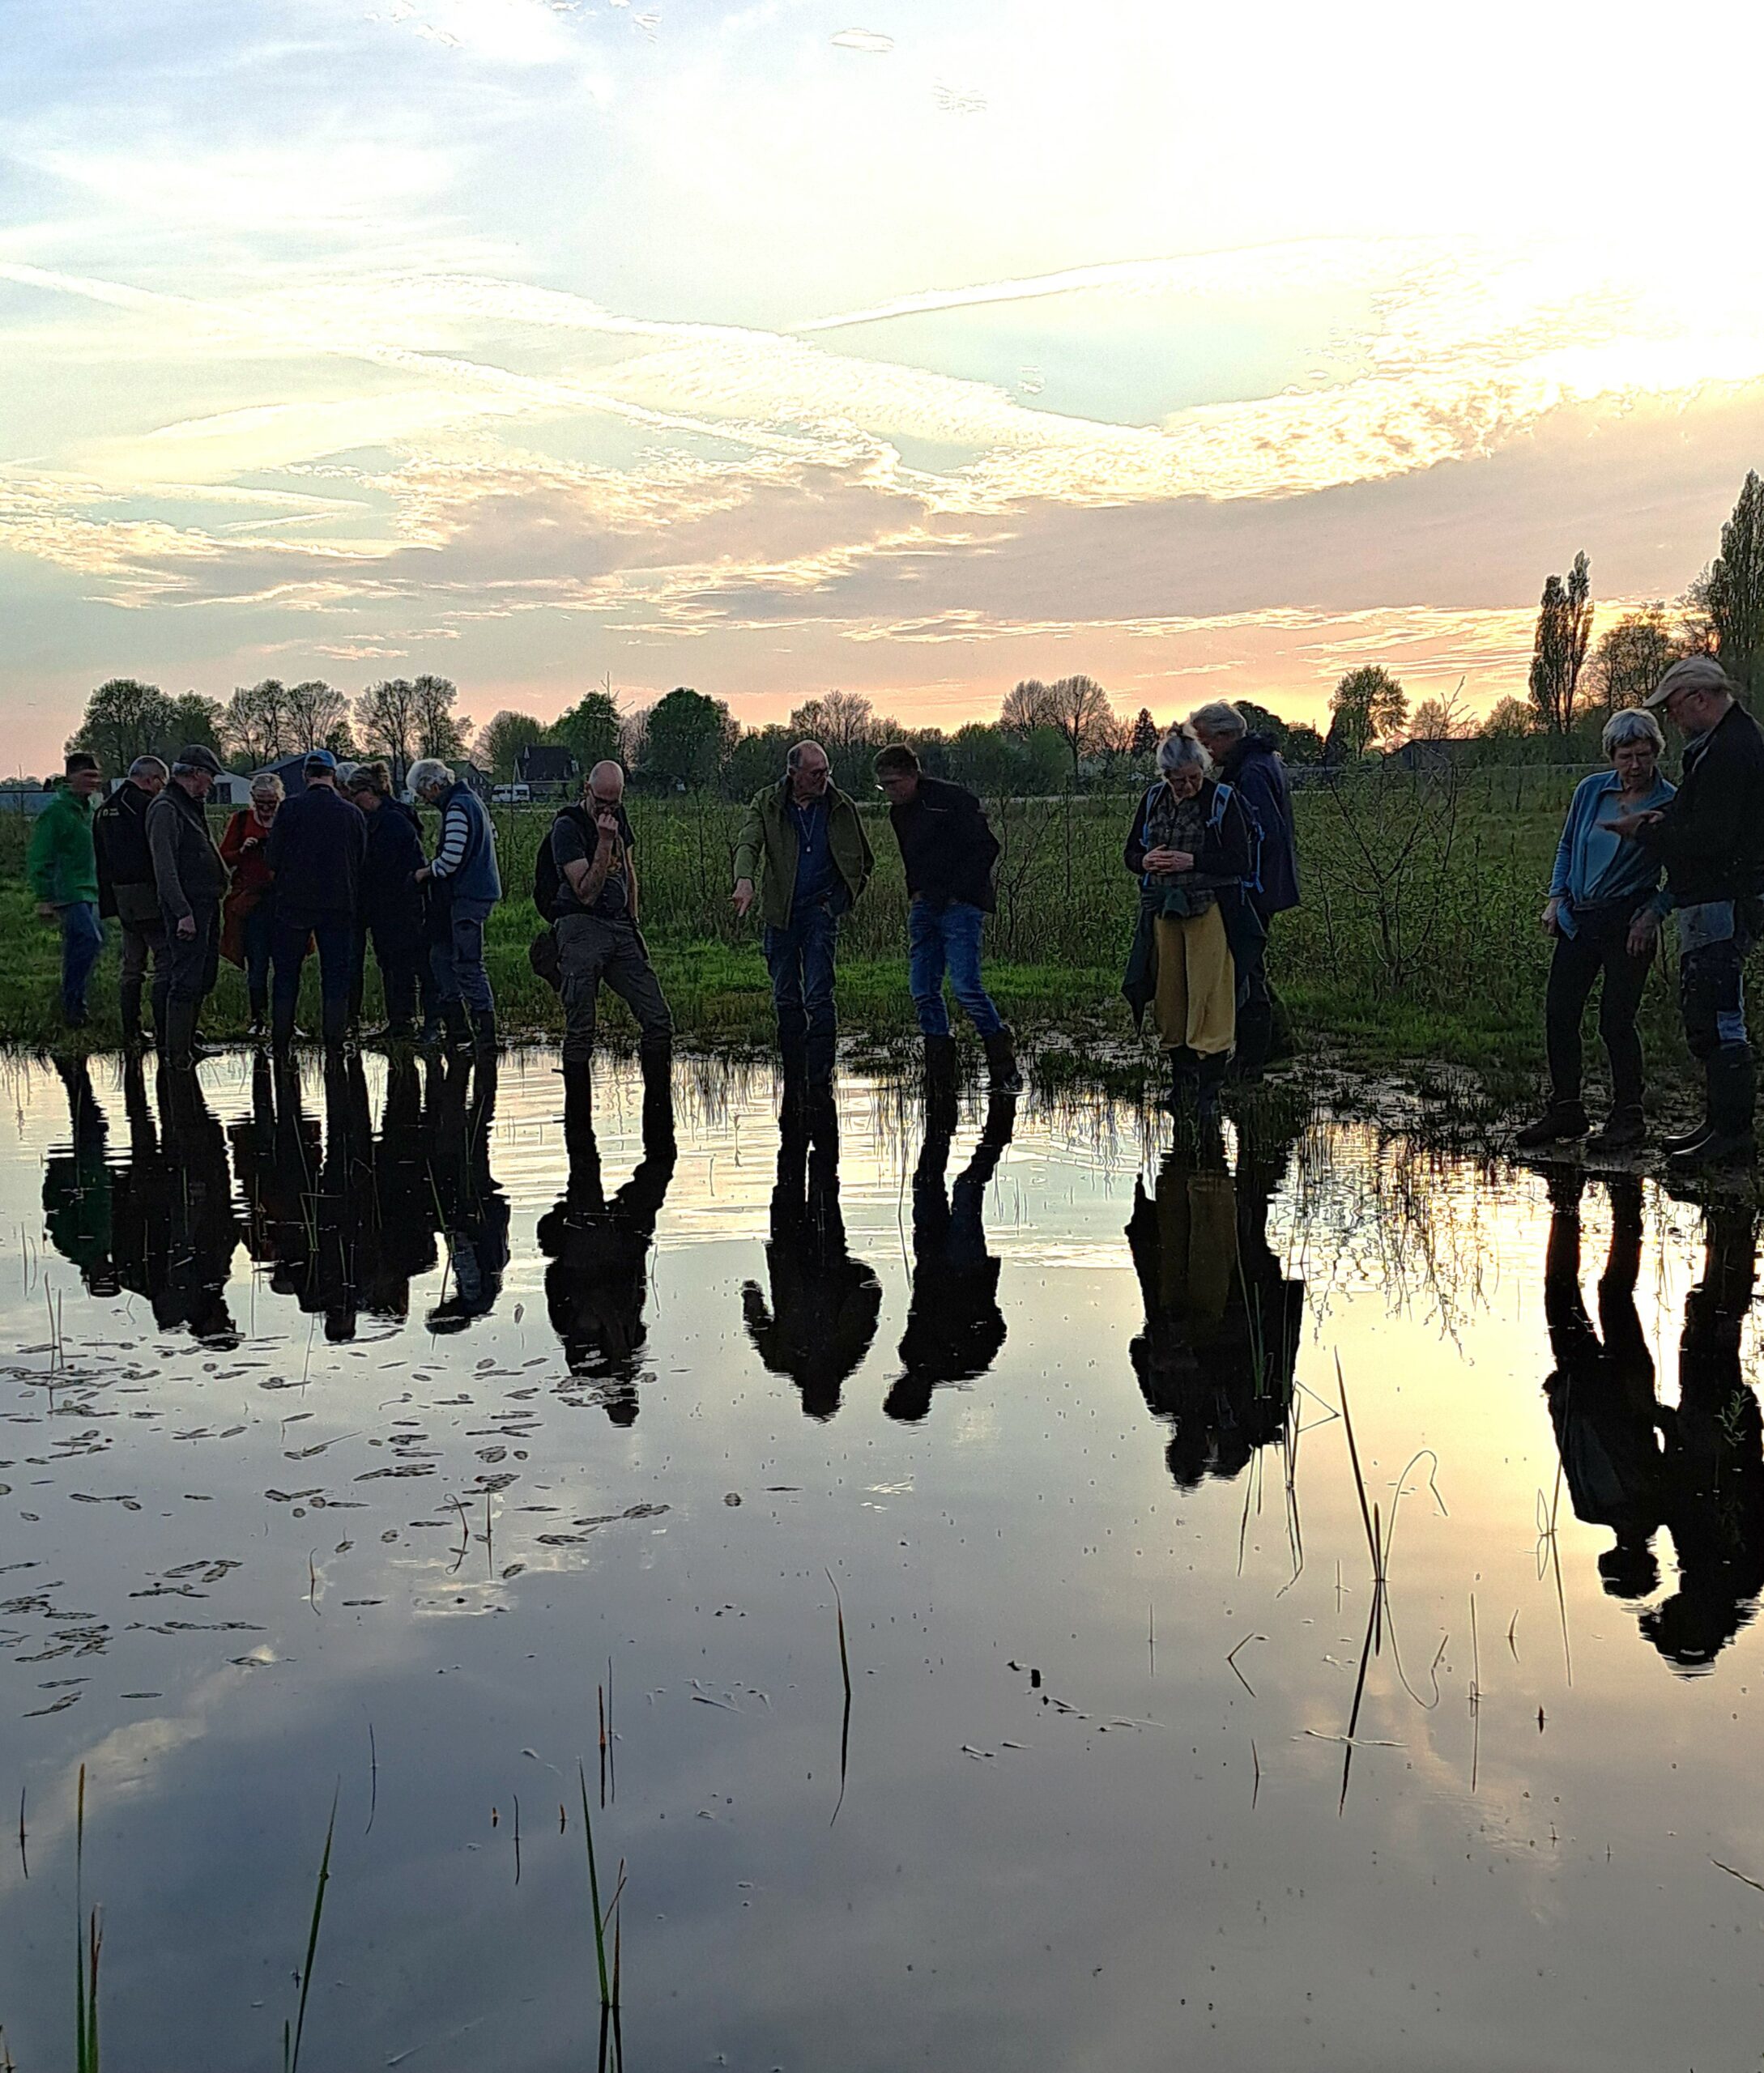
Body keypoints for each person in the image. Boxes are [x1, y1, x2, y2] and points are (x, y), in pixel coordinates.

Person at [1605, 655, 1764, 1173]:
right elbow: (1698, 817)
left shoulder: (1732, 751)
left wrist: (1646, 831)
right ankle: (1717, 1124)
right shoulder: (1718, 747)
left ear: (1699, 698)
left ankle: (1733, 1135)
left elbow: (1710, 839)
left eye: (1673, 708)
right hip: (1711, 898)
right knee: (1706, 1014)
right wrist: (1661, 818)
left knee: (1719, 1016)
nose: (1673, 720)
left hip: (1724, 898)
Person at [1516, 709, 1676, 1153]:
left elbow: (1685, 874)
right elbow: (1568, 843)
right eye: (1626, 755)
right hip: (1579, 917)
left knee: (1616, 1021)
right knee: (1560, 1013)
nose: (1635, 765)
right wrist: (1555, 897)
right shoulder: (1591, 791)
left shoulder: (1669, 802)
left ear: (1656, 753)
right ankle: (1566, 1109)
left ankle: (1628, 1116)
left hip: (1630, 923)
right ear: (1612, 755)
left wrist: (1653, 913)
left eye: (1643, 754)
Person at [1540, 1169, 1666, 1603]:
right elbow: (1573, 1441)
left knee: (1611, 1293)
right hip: (1599, 1384)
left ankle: (1618, 1199)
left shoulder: (1656, 1507)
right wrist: (1560, 1396)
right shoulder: (1596, 1508)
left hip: (1617, 1385)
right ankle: (1570, 1201)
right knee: (1570, 1291)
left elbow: (1575, 1443)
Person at [1121, 728, 1255, 1121]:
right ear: (1165, 776)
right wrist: (1143, 862)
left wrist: (1191, 862)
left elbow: (1239, 861)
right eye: (1179, 780)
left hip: (1209, 909)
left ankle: (1209, 1093)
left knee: (1210, 997)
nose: (1188, 786)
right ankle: (1182, 1085)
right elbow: (1130, 852)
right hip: (1162, 910)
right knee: (1171, 995)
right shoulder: (1151, 800)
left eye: (1195, 777)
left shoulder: (1224, 801)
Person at [872, 743, 1021, 1094]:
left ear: (912, 774)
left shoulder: (952, 800)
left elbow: (986, 847)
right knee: (923, 989)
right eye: (884, 786)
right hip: (924, 906)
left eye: (894, 783)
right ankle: (939, 1072)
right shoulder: (899, 813)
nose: (890, 792)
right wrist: (917, 892)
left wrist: (958, 891)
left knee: (966, 987)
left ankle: (1003, 1062)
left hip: (959, 905)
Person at [731, 740, 873, 1098]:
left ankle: (820, 1081)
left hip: (820, 912)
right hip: (781, 912)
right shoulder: (767, 802)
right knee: (786, 997)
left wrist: (838, 902)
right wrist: (744, 880)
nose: (824, 778)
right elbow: (749, 843)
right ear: (793, 775)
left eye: (826, 771)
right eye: (815, 773)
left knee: (819, 996)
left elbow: (864, 862)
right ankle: (794, 1078)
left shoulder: (841, 806)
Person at [742, 1100, 881, 1421]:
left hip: (796, 1257)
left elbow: (756, 1319)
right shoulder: (846, 1352)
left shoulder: (783, 1360)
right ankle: (814, 1111)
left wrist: (752, 1293)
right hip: (821, 1253)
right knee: (817, 1179)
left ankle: (803, 1113)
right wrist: (850, 1270)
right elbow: (871, 1292)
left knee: (798, 1176)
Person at [886, 1086, 1016, 1422]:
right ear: (921, 1398)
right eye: (902, 1393)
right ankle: (999, 1131)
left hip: (930, 1260)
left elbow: (920, 1308)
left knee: (925, 1181)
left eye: (897, 1389)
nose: (900, 1385)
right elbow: (997, 1331)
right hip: (964, 1267)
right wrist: (980, 1298)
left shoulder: (909, 1353)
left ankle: (941, 1123)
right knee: (966, 1188)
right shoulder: (964, 1366)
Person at [544, 760, 673, 1098]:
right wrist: (603, 842)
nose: (607, 809)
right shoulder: (567, 828)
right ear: (587, 790)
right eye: (601, 801)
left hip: (620, 926)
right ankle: (578, 1128)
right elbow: (585, 892)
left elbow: (629, 870)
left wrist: (634, 920)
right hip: (580, 927)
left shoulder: (620, 815)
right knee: (581, 1031)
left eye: (613, 803)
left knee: (658, 1022)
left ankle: (659, 1120)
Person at [1188, 701, 1301, 1079]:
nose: (1203, 751)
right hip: (1268, 882)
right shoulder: (1263, 762)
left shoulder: (1250, 773)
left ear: (1226, 736)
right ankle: (1280, 1041)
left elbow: (1258, 835)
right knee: (1254, 965)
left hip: (1256, 886)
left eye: (1205, 741)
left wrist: (1236, 878)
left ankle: (1252, 1059)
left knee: (1247, 968)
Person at [265, 749, 368, 1054]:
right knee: (336, 973)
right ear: (333, 776)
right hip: (339, 903)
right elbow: (361, 859)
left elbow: (272, 858)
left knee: (286, 972)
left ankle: (281, 1041)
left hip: (294, 903)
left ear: (305, 775)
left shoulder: (290, 809)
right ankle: (335, 1041)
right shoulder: (352, 813)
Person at [411, 758, 503, 1056]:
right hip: (476, 893)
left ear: (434, 785)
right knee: (442, 958)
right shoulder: (472, 800)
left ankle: (486, 1038)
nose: (423, 800)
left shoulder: (457, 808)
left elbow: (451, 859)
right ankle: (461, 1030)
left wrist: (425, 872)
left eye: (423, 793)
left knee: (467, 964)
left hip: (468, 897)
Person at [146, 744, 228, 1071]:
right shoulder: (166, 808)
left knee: (203, 976)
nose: (210, 784)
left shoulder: (189, 805)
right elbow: (164, 867)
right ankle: (176, 1054)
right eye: (209, 776)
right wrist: (182, 912)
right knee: (185, 979)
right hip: (188, 909)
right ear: (194, 774)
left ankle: (187, 1043)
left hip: (206, 904)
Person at [345, 760, 428, 1042]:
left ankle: (403, 1023)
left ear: (369, 792)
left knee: (399, 965)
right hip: (390, 905)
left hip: (397, 904)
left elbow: (388, 866)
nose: (353, 802)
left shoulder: (391, 821)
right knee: (393, 963)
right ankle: (400, 1021)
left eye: (355, 796)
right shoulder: (393, 816)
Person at [94, 754, 169, 1052]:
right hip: (147, 894)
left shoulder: (104, 809)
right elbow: (157, 852)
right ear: (150, 779)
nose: (161, 789)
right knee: (165, 961)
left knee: (132, 964)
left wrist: (109, 902)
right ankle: (165, 1032)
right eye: (160, 783)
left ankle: (132, 1031)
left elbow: (100, 859)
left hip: (121, 897)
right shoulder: (146, 807)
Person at [28, 751, 104, 1030]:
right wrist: (44, 896)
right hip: (68, 891)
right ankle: (73, 1005)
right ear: (71, 776)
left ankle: (75, 1006)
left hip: (90, 889)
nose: (93, 782)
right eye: (87, 776)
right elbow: (41, 854)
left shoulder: (91, 809)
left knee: (83, 945)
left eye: (96, 776)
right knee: (89, 940)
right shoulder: (56, 813)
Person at [219, 773, 284, 1038]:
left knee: (285, 965)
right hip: (252, 902)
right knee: (257, 965)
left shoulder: (286, 820)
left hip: (282, 902)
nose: (266, 808)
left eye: (271, 803)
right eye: (261, 803)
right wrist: (244, 850)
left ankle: (285, 1020)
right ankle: (258, 1019)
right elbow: (224, 857)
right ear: (253, 800)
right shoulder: (241, 820)